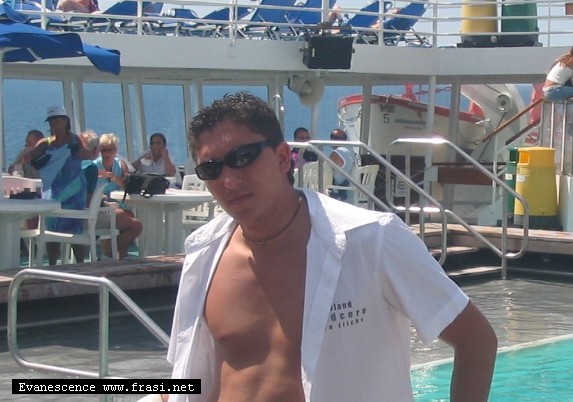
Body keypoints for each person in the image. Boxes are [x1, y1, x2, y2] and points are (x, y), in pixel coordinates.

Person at [159, 92, 497, 402]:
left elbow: (476, 340)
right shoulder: (204, 254)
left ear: (282, 158)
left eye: (243, 157)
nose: (229, 180)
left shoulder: (371, 240)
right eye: (211, 168)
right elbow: (194, 377)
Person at [24, 106, 94, 265]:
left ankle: (80, 264)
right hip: (53, 190)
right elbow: (30, 155)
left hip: (74, 188)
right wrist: (29, 158)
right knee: (52, 225)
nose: (54, 125)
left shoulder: (75, 139)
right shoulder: (46, 143)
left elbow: (87, 155)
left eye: (57, 121)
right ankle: (52, 265)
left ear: (66, 121)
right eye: (51, 122)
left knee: (75, 227)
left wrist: (77, 149)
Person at [94, 133, 143, 259]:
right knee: (134, 224)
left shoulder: (120, 165)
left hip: (117, 204)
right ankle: (110, 255)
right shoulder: (94, 166)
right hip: (102, 206)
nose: (107, 153)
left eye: (110, 150)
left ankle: (117, 256)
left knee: (129, 216)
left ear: (115, 151)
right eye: (104, 150)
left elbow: (128, 186)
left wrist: (113, 177)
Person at [327, 128, 360, 203]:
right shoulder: (351, 152)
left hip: (339, 192)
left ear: (331, 141)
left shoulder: (337, 153)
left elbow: (324, 169)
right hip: (350, 191)